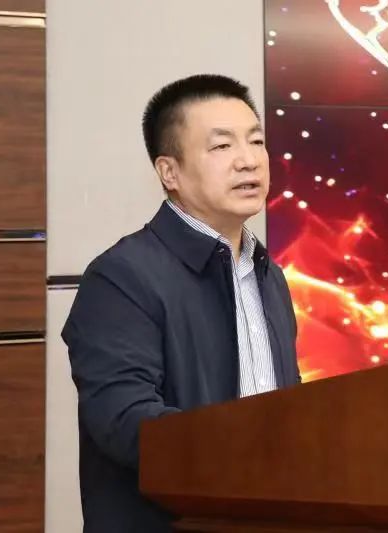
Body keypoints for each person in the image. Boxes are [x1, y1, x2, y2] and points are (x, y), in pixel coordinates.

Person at [62, 74, 301, 533]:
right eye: (222, 146)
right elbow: (125, 422)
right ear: (169, 172)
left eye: (255, 141)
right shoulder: (120, 277)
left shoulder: (269, 275)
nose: (248, 160)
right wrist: (252, 455)